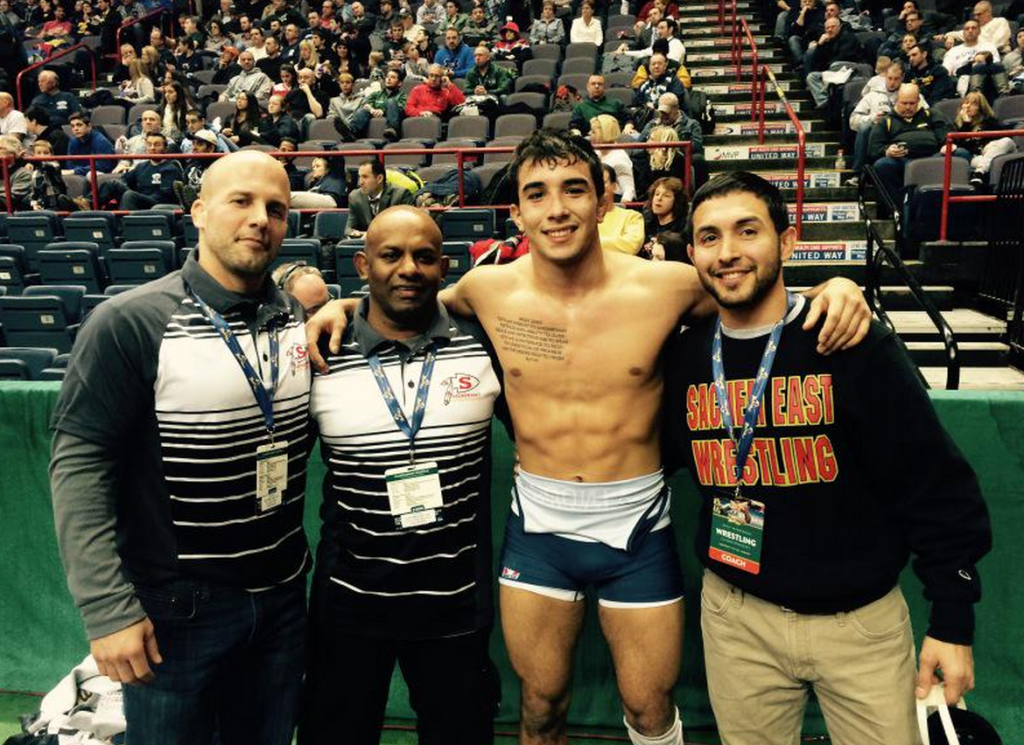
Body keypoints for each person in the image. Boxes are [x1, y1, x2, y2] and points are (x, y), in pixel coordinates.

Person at [306, 129, 870, 745]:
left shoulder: (669, 286)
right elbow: (401, 299)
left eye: (574, 189)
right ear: (516, 211)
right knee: (542, 707)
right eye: (537, 194)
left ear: (605, 199)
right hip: (540, 531)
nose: (557, 209)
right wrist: (342, 306)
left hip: (638, 528)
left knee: (650, 709)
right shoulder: (485, 290)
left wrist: (833, 289)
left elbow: (756, 289)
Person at [662, 170, 991, 745]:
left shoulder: (848, 340)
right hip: (736, 617)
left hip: (858, 623)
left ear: (787, 242)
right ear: (691, 252)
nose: (729, 252)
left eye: (748, 231)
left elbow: (937, 487)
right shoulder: (686, 356)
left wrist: (953, 622)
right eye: (710, 238)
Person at [49, 150, 316, 745]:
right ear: (197, 211)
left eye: (276, 208)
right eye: (241, 201)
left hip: (281, 598)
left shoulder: (293, 317)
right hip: (178, 610)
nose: (260, 219)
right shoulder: (130, 321)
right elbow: (79, 467)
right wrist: (107, 609)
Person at [300, 205, 503, 745]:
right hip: (348, 604)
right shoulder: (319, 353)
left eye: (424, 256)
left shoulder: (485, 344)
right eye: (391, 255)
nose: (408, 268)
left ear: (445, 266)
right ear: (364, 265)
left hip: (455, 606)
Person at [869, 82, 951, 202]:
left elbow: (945, 133)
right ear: (897, 100)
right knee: (882, 165)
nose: (908, 107)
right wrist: (887, 151)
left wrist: (946, 145)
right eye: (904, 103)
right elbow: (873, 149)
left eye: (912, 103)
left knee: (960, 154)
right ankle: (899, 207)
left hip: (933, 158)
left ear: (918, 101)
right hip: (902, 162)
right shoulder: (886, 121)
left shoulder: (931, 114)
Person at [345, 158, 416, 238]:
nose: (360, 182)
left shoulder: (401, 195)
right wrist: (355, 233)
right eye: (359, 177)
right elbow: (348, 229)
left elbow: (406, 229)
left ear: (379, 179)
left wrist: (371, 235)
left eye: (365, 177)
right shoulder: (355, 197)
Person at [117, 132, 184, 209]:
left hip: (157, 203)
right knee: (113, 184)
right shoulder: (141, 166)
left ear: (165, 149)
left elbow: (164, 196)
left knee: (129, 195)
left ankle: (121, 220)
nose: (152, 148)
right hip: (139, 199)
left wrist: (137, 195)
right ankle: (101, 214)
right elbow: (124, 180)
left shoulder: (171, 169)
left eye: (157, 145)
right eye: (149, 144)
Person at [598, 164, 645, 255]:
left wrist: (590, 244)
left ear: (614, 186)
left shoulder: (632, 217)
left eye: (603, 182)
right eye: (594, 183)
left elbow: (632, 246)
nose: (598, 187)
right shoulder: (581, 216)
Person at [590, 114, 635, 202]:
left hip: (613, 200)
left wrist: (620, 211)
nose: (589, 134)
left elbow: (629, 190)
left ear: (604, 134)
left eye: (593, 132)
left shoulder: (619, 158)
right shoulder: (597, 151)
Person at [64, 112, 116, 177]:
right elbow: (70, 165)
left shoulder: (101, 141)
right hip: (80, 175)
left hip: (103, 176)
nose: (75, 129)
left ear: (89, 126)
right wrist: (77, 171)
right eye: (72, 126)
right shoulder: (72, 141)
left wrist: (75, 171)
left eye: (79, 125)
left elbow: (102, 167)